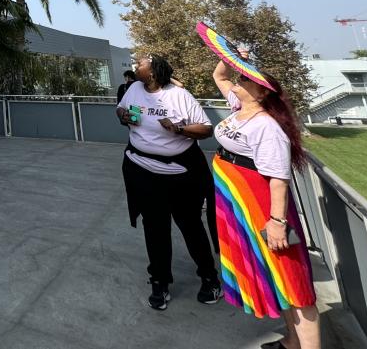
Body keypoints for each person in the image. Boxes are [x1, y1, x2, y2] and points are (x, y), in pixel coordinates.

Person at [211, 53, 320, 348]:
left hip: (264, 209)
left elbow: (278, 179)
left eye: (246, 79)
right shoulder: (238, 109)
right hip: (241, 205)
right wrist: (232, 58)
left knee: (293, 281)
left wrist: (277, 222)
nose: (240, 80)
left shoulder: (267, 127)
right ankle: (291, 341)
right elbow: (219, 77)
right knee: (276, 278)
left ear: (261, 93)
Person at [116, 53, 221, 310]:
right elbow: (121, 109)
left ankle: (209, 278)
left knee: (191, 226)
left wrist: (179, 129)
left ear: (152, 71)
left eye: (139, 64)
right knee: (154, 228)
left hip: (180, 175)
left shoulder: (179, 95)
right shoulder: (134, 89)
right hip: (143, 171)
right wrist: (124, 116)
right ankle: (159, 282)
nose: (135, 67)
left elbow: (206, 129)